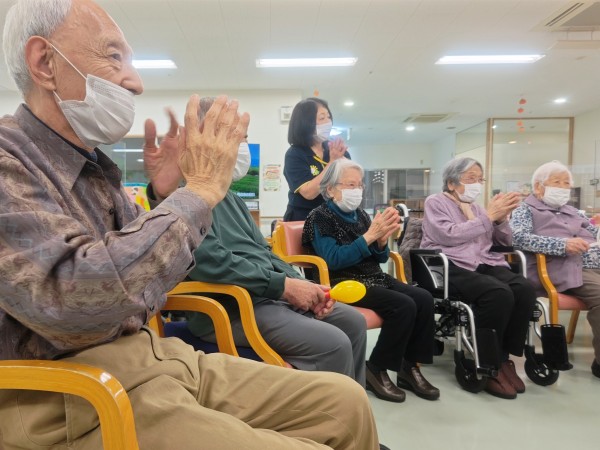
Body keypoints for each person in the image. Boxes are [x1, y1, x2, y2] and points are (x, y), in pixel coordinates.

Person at [0, 1, 381, 449]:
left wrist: (165, 196)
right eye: (114, 56)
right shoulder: (10, 162)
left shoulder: (95, 170)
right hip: (74, 395)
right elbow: (73, 300)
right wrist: (195, 193)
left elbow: (154, 271)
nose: (136, 82)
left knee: (347, 402)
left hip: (152, 358)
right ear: (45, 62)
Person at [185, 97, 368, 387]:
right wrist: (283, 286)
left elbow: (263, 251)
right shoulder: (187, 198)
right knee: (334, 343)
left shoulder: (233, 199)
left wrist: (302, 285)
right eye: (236, 137)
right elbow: (211, 261)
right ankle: (328, 413)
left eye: (245, 138)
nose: (243, 146)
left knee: (353, 322)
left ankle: (353, 407)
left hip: (266, 295)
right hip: (234, 306)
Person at [302, 159, 440, 403]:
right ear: (331, 189)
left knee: (424, 298)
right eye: (350, 185)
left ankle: (409, 366)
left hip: (372, 277)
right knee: (403, 305)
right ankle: (376, 368)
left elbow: (381, 258)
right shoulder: (318, 217)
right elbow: (333, 260)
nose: (357, 190)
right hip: (342, 282)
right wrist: (369, 237)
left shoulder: (361, 215)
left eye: (360, 185)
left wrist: (382, 241)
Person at [421, 157, 536, 400]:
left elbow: (504, 242)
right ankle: (487, 360)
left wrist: (500, 220)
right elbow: (448, 235)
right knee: (498, 294)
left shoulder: (476, 208)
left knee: (524, 288)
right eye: (470, 178)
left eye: (479, 179)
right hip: (450, 264)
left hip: (483, 262)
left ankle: (504, 358)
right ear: (451, 183)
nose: (476, 184)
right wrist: (489, 217)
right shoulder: (435, 202)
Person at [510, 160, 600, 379]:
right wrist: (562, 245)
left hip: (591, 265)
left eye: (566, 183)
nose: (563, 187)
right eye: (556, 182)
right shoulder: (525, 210)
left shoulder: (573, 212)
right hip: (562, 268)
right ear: (538, 186)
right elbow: (518, 238)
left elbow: (593, 232)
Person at [283, 97, 350, 221]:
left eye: (329, 117)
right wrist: (332, 162)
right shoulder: (295, 154)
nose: (328, 122)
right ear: (306, 123)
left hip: (334, 217)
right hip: (303, 219)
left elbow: (350, 185)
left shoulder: (337, 150)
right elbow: (309, 193)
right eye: (322, 118)